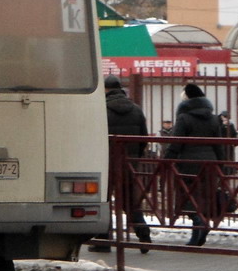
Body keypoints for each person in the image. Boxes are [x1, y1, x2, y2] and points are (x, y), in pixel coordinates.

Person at [91, 75, 151, 253]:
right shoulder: (136, 110)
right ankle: (144, 235)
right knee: (130, 201)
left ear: (105, 90)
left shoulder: (101, 109)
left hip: (106, 162)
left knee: (104, 200)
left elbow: (94, 136)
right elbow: (144, 138)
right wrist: (135, 157)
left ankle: (103, 240)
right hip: (128, 163)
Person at [164, 83, 224, 246]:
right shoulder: (213, 118)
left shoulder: (184, 118)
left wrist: (166, 160)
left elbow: (176, 143)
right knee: (204, 198)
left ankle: (200, 223)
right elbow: (219, 144)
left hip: (189, 164)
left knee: (187, 198)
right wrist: (222, 165)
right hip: (210, 164)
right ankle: (196, 234)